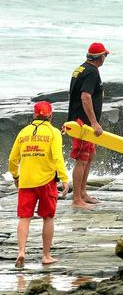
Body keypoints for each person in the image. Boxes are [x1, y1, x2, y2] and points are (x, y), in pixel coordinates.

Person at [9, 101, 69, 268]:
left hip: (26, 181)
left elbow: (13, 159)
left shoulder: (23, 132)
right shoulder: (53, 132)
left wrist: (15, 176)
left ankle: (21, 251)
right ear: (50, 115)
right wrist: (64, 178)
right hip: (47, 182)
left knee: (24, 218)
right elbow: (57, 157)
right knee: (48, 217)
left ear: (35, 115)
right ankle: (46, 256)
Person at [67, 42, 109, 209]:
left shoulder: (81, 68)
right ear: (100, 57)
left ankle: (83, 193)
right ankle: (76, 199)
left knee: (89, 156)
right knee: (82, 158)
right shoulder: (92, 72)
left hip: (80, 121)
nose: (106, 58)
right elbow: (85, 97)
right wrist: (93, 122)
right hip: (82, 123)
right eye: (105, 55)